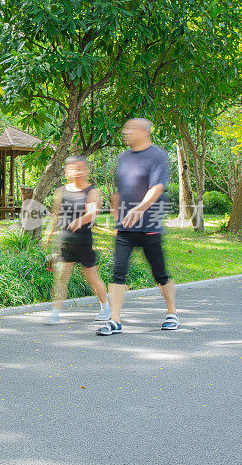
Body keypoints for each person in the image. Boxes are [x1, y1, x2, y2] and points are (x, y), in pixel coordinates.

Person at [97, 118, 176, 336]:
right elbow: (118, 192)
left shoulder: (157, 156)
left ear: (143, 132)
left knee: (160, 273)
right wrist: (117, 218)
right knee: (118, 272)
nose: (125, 132)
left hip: (149, 225)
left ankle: (172, 313)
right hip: (125, 228)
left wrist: (138, 209)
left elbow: (157, 187)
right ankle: (115, 320)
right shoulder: (123, 158)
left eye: (130, 129)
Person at [42, 156, 110, 324]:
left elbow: (93, 212)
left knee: (92, 277)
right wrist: (48, 234)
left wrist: (80, 221)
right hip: (66, 242)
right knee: (61, 277)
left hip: (84, 242)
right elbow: (56, 214)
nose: (77, 171)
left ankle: (106, 307)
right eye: (73, 168)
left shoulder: (92, 191)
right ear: (67, 172)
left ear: (86, 170)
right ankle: (55, 312)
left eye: (81, 168)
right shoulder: (61, 191)